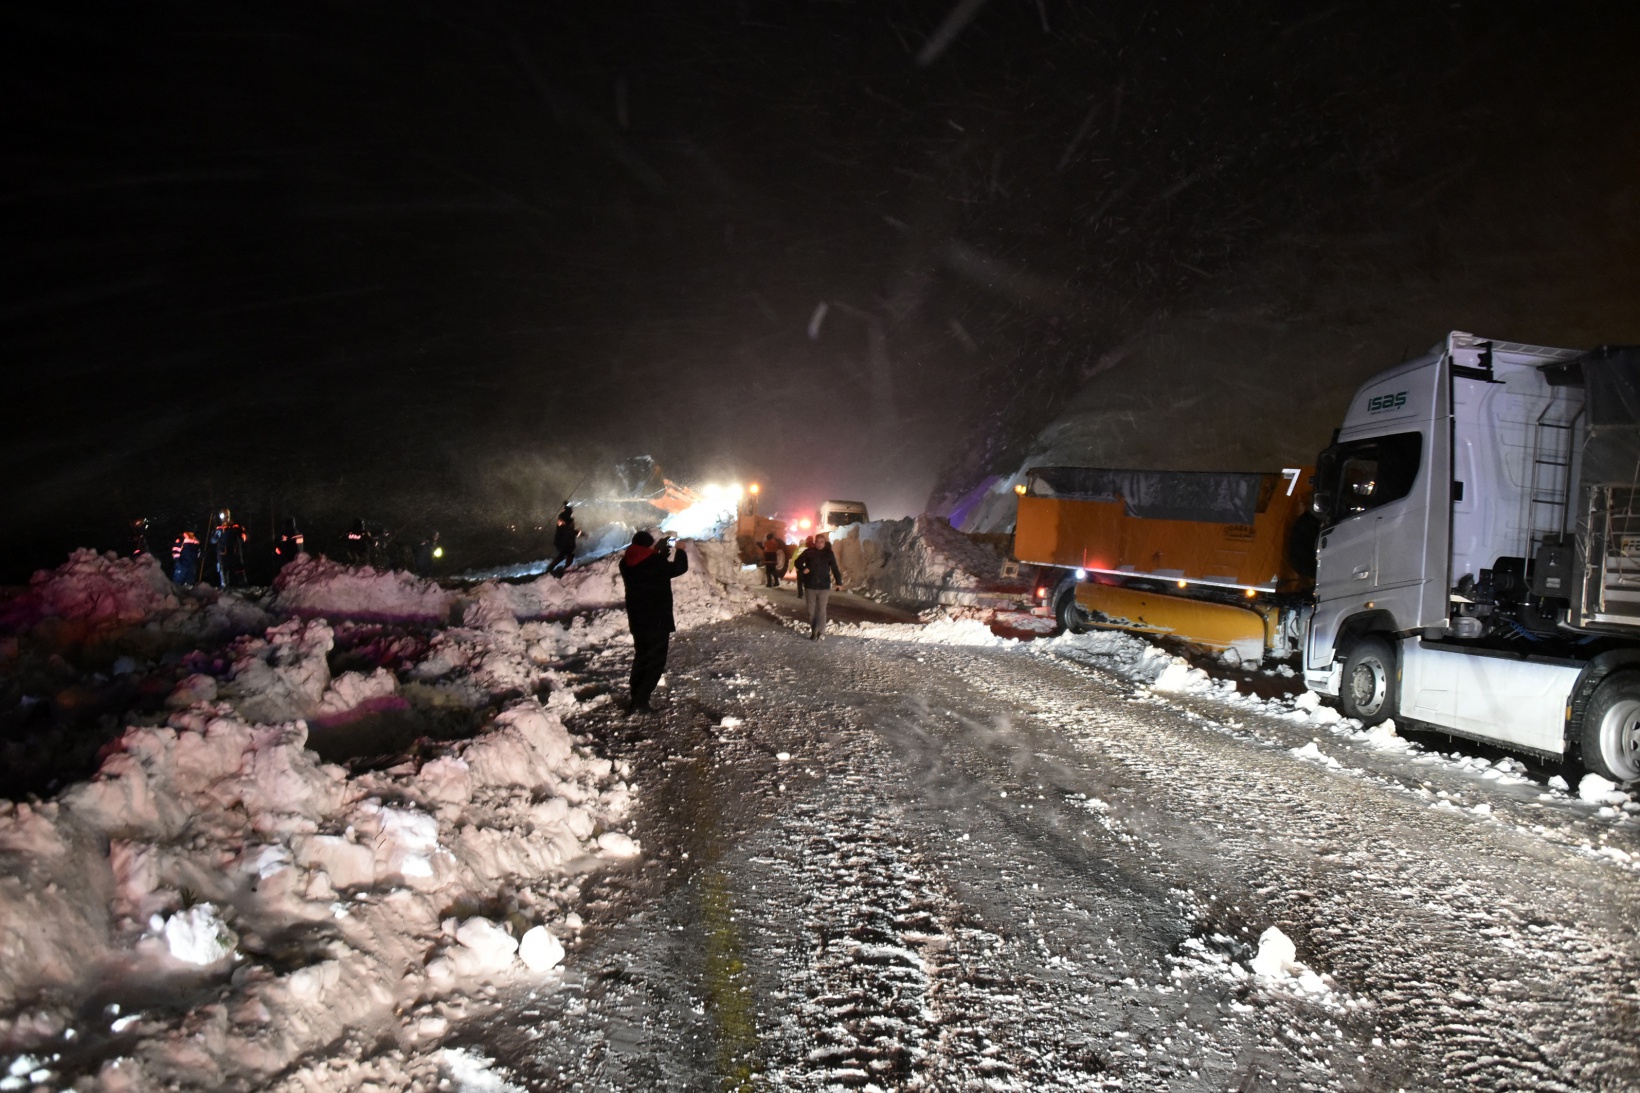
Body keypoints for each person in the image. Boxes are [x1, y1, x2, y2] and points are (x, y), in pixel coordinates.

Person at [617, 530, 689, 712]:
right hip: (656, 620)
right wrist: (680, 550)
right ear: (648, 546)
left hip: (637, 619)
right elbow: (678, 568)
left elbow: (649, 565)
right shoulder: (654, 562)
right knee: (655, 661)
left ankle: (636, 695)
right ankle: (640, 702)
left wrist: (657, 551)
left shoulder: (625, 562)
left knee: (642, 657)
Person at [801, 533, 843, 640]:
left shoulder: (829, 554)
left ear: (825, 543)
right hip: (810, 586)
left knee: (821, 610)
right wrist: (803, 568)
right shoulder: (808, 552)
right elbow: (797, 562)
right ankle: (814, 631)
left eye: (822, 542)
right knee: (811, 612)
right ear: (815, 542)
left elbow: (834, 568)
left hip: (824, 586)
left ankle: (821, 632)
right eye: (818, 542)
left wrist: (839, 582)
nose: (819, 544)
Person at [209, 509, 247, 587]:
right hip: (222, 552)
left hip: (234, 551)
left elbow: (243, 538)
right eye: (223, 516)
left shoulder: (236, 526)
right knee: (222, 569)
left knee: (239, 568)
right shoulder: (218, 528)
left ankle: (243, 584)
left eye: (226, 516)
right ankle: (224, 585)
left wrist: (235, 532)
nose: (225, 519)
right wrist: (217, 535)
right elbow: (212, 540)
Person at [548, 504, 581, 578]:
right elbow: (567, 530)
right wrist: (576, 532)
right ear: (568, 511)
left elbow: (569, 530)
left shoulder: (564, 518)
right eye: (571, 510)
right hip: (564, 541)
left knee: (565, 555)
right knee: (567, 555)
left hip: (565, 541)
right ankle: (556, 568)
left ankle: (555, 568)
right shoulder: (564, 519)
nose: (572, 511)